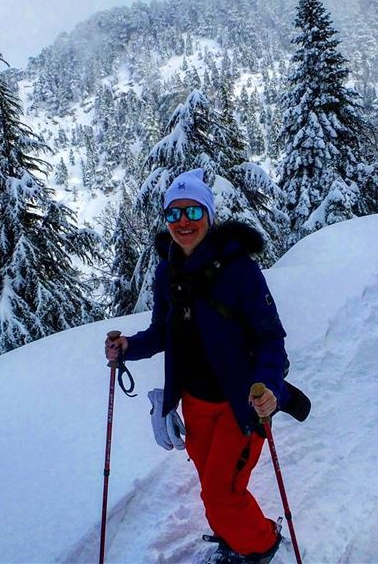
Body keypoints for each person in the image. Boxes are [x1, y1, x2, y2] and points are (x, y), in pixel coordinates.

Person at [104, 168, 287, 564]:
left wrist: (270, 386)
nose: (183, 222)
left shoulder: (240, 270)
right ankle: (232, 532)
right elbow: (162, 332)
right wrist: (128, 347)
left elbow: (271, 338)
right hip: (194, 401)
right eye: (173, 214)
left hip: (243, 404)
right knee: (211, 484)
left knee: (222, 491)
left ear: (208, 213)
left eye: (192, 212)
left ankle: (261, 544)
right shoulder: (165, 272)